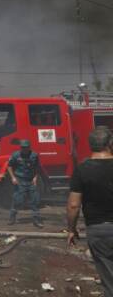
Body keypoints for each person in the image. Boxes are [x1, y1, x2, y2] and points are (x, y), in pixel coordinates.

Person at [67, 127, 113, 297]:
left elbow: (73, 205)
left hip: (98, 231)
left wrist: (71, 229)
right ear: (110, 143)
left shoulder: (81, 169)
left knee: (109, 278)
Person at [7, 139, 43, 227]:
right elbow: (9, 166)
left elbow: (37, 167)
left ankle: (37, 220)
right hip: (20, 180)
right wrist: (13, 177)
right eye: (23, 147)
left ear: (29, 147)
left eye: (26, 147)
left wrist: (35, 177)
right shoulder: (15, 155)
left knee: (35, 200)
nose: (24, 149)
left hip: (30, 180)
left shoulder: (34, 155)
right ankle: (12, 217)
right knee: (18, 200)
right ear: (20, 148)